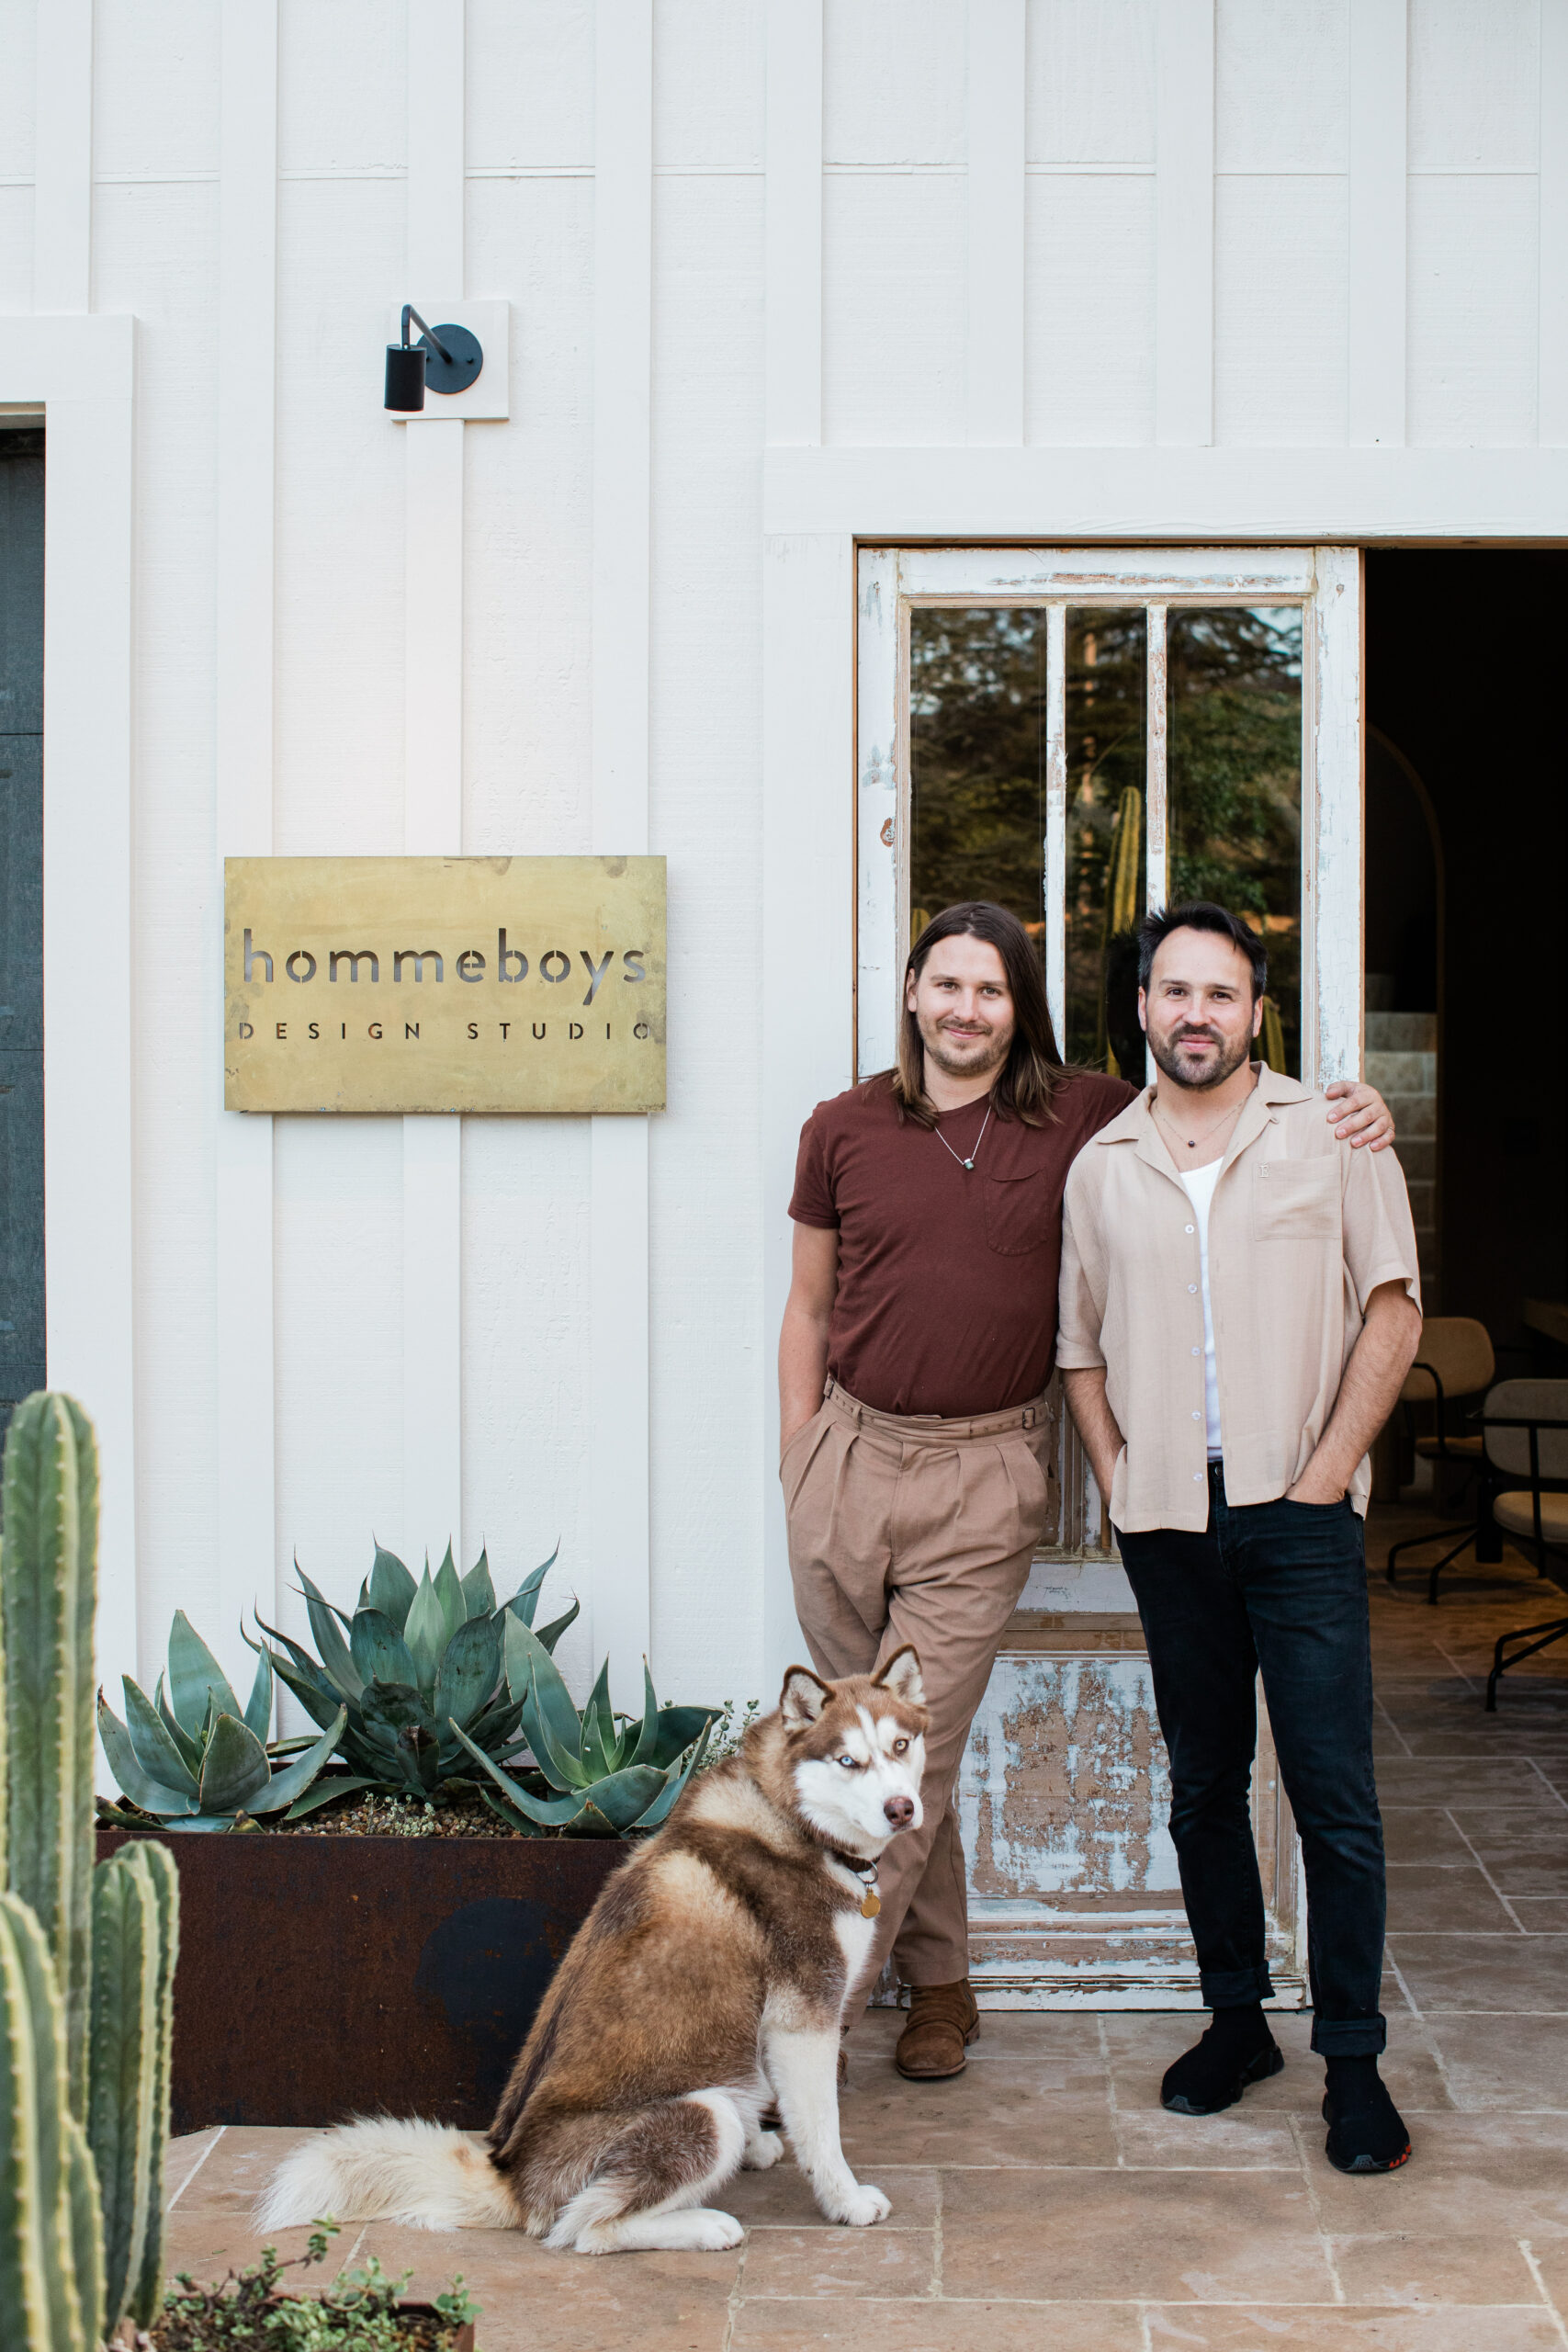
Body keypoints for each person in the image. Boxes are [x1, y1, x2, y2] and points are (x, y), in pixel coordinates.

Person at [779, 899, 1396, 2082]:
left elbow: (1372, 1287)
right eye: (946, 985)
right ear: (912, 991)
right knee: (924, 1754)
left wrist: (1349, 1103)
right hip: (877, 1470)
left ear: (1024, 1013)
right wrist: (802, 1454)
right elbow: (819, 1308)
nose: (966, 1008)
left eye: (992, 990)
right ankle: (960, 1986)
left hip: (1051, 1483)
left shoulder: (1116, 1118)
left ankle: (800, 2036)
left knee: (905, 1751)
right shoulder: (867, 1128)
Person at [1058, 900, 1422, 2175]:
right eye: (1172, 992)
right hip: (1168, 1524)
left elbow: (1391, 1308)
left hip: (1299, 1516)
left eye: (1219, 993)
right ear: (1142, 1008)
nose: (1193, 1014)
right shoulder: (1101, 1163)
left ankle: (1353, 2065)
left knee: (1331, 1798)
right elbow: (1077, 1352)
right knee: (1202, 1787)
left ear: (1252, 1010)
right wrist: (1119, 1481)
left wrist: (1324, 1474)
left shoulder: (1328, 1131)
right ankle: (1234, 2025)